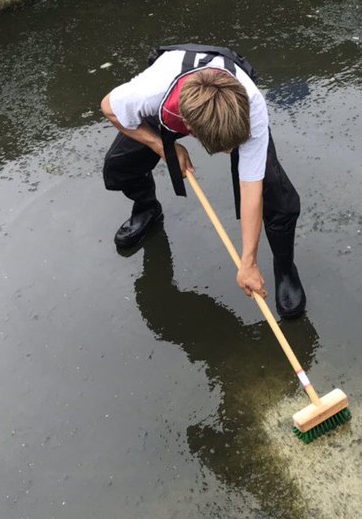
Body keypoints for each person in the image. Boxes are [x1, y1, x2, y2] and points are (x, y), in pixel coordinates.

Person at [100, 43, 306, 319]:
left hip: (230, 105)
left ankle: (285, 267)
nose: (232, 154)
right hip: (172, 100)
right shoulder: (147, 93)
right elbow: (108, 108)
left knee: (279, 199)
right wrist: (162, 146)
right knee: (119, 166)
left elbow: (251, 188)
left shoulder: (252, 106)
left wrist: (249, 262)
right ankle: (146, 208)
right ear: (187, 127)